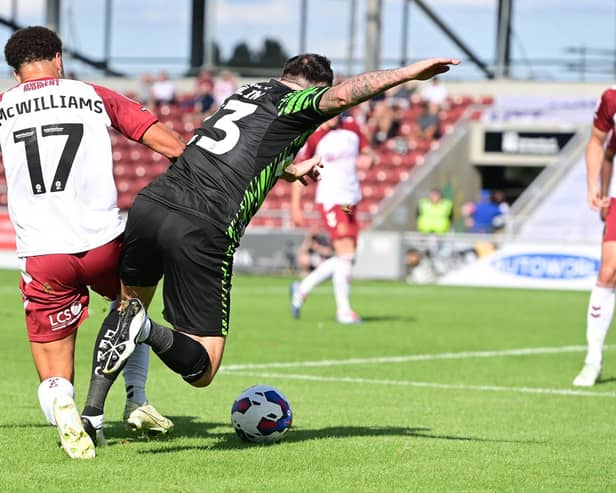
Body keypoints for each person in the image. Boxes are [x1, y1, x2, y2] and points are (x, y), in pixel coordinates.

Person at [81, 54, 460, 442]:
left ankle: (93, 414)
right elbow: (345, 96)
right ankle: (144, 330)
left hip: (153, 204)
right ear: (314, 88)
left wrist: (288, 167)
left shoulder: (245, 93)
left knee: (127, 307)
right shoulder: (294, 101)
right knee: (203, 366)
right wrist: (409, 74)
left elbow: (232, 145)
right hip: (204, 220)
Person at [0, 26, 185, 459]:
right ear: (59, 59)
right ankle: (136, 399)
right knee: (131, 312)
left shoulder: (4, 105)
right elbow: (170, 145)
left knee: (53, 371)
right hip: (104, 243)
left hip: (45, 255)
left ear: (14, 72)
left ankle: (63, 403)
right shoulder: (92, 94)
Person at [289, 113, 375, 323]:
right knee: (345, 251)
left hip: (349, 201)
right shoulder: (314, 135)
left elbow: (367, 152)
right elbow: (298, 172)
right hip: (331, 199)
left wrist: (369, 159)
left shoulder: (352, 125)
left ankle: (302, 288)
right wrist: (295, 207)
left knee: (348, 255)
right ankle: (343, 311)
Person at [573, 88, 616, 386]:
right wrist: (597, 187)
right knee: (609, 270)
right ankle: (593, 360)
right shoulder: (612, 98)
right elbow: (600, 143)